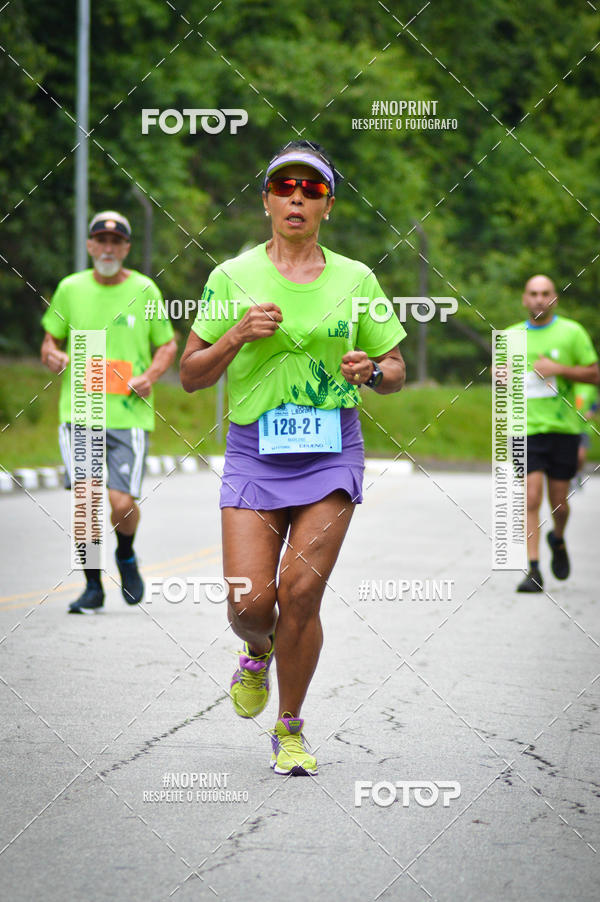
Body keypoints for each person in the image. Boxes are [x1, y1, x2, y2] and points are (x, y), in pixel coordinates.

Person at [181, 141, 406, 775]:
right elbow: (193, 377)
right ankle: (257, 652)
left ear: (328, 206)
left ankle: (291, 728)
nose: (298, 197)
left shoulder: (356, 279)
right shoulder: (231, 277)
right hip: (255, 451)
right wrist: (235, 334)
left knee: (301, 592)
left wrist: (371, 371)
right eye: (286, 187)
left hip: (331, 451)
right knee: (251, 603)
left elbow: (395, 370)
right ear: (267, 201)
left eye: (312, 189)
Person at [41, 211, 177, 613]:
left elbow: (167, 344)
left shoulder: (145, 290)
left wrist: (152, 375)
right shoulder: (70, 288)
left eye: (116, 242)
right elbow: (50, 341)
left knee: (120, 503)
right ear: (89, 246)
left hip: (129, 415)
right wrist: (52, 356)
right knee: (85, 501)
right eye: (100, 240)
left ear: (126, 249)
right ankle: (92, 585)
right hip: (80, 411)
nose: (107, 248)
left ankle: (127, 554)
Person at [508, 275, 599, 593]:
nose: (538, 299)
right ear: (524, 299)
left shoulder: (572, 332)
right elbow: (498, 374)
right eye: (532, 293)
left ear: (554, 298)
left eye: (544, 293)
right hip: (525, 428)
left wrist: (560, 370)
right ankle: (533, 569)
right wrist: (501, 374)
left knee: (558, 501)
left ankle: (557, 538)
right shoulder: (510, 336)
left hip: (563, 428)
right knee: (531, 496)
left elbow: (594, 374)